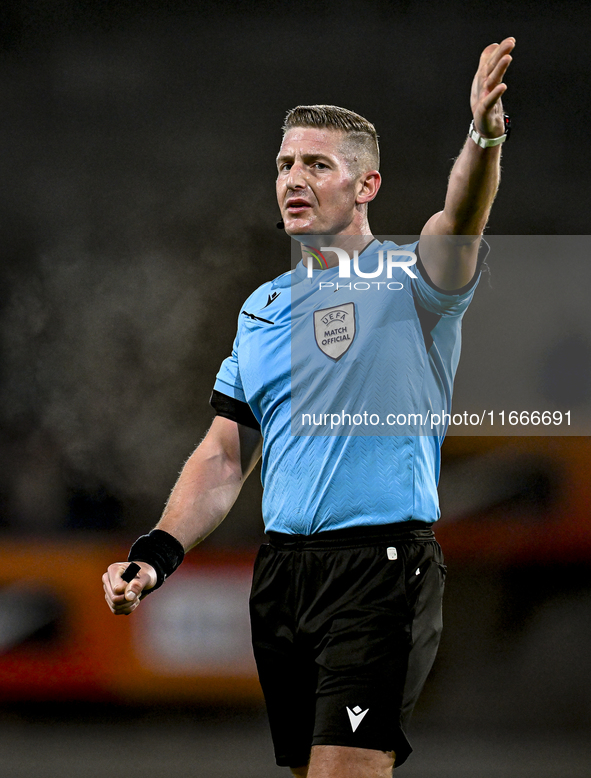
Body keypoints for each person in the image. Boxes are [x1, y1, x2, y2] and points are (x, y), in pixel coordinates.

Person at [103, 38, 515, 777]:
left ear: (366, 185)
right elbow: (225, 455)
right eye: (285, 165)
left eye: (317, 165)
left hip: (380, 571)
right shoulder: (261, 309)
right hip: (284, 579)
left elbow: (460, 217)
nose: (293, 179)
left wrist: (481, 139)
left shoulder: (413, 281)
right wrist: (156, 555)